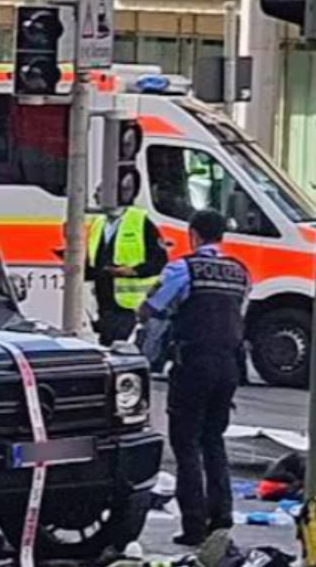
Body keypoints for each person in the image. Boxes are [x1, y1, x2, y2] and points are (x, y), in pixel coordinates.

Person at [141, 209, 250, 547]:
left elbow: (154, 306)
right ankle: (222, 516)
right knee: (213, 440)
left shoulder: (183, 268)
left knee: (185, 443)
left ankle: (193, 525)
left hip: (194, 362)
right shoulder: (239, 272)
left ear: (193, 234)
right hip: (229, 366)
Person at [86, 205, 167, 347]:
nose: (96, 195)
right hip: (103, 303)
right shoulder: (98, 222)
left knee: (122, 352)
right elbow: (94, 262)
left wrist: (134, 271)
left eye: (101, 190)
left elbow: (159, 261)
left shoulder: (140, 221)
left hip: (129, 306)